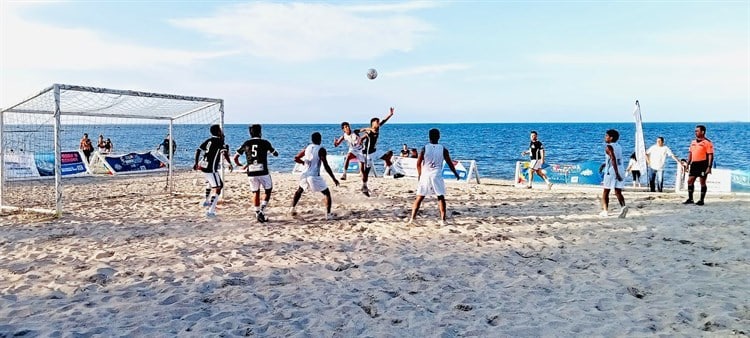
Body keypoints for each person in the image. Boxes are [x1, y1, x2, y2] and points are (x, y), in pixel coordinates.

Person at [406, 128, 460, 226]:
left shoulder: (424, 148)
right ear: (439, 137)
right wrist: (455, 173)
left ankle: (412, 218)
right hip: (436, 174)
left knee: (420, 197)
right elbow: (449, 163)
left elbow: (418, 163)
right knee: (440, 196)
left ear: (429, 137)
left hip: (426, 174)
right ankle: (443, 220)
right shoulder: (443, 149)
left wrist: (419, 174)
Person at [233, 124, 279, 223]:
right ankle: (261, 211)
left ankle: (257, 212)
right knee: (268, 190)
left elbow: (235, 157)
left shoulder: (246, 143)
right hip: (263, 171)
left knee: (256, 192)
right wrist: (271, 152)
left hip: (251, 171)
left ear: (250, 133)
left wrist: (240, 165)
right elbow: (275, 153)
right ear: (260, 132)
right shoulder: (265, 142)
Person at [290, 132, 340, 220]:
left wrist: (303, 163)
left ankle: (292, 209)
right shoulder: (321, 149)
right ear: (320, 139)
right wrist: (333, 178)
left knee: (299, 191)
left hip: (304, 174)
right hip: (314, 176)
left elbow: (296, 158)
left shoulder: (307, 148)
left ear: (312, 140)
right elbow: (326, 165)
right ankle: (328, 215)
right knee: (327, 193)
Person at [193, 124, 233, 217]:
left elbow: (198, 150)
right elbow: (224, 153)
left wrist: (195, 163)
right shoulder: (219, 141)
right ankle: (210, 211)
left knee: (210, 183)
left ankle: (206, 201)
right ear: (218, 131)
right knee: (219, 186)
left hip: (204, 166)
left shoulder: (208, 141)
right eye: (220, 130)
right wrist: (229, 163)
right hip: (211, 168)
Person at [354, 107, 396, 196]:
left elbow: (384, 121)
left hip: (375, 151)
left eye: (378, 122)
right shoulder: (369, 131)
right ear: (372, 124)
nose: (378, 123)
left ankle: (395, 173)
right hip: (367, 154)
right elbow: (356, 131)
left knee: (386, 157)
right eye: (377, 122)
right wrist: (364, 132)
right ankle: (364, 186)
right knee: (366, 172)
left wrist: (390, 114)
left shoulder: (377, 128)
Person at [682, 125, 714, 205]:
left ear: (702, 132)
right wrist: (687, 164)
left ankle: (701, 200)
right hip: (694, 164)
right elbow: (690, 154)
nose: (695, 132)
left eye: (697, 131)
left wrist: (709, 167)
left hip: (703, 164)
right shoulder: (693, 142)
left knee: (702, 182)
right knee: (690, 181)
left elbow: (710, 155)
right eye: (695, 131)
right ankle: (690, 199)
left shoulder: (707, 142)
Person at [600, 129, 628, 218]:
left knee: (606, 191)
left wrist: (616, 173)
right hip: (621, 169)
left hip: (612, 171)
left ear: (611, 138)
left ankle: (605, 211)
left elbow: (613, 159)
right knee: (618, 191)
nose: (605, 137)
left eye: (606, 136)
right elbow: (615, 159)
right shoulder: (619, 146)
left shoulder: (608, 147)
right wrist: (604, 164)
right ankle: (623, 206)